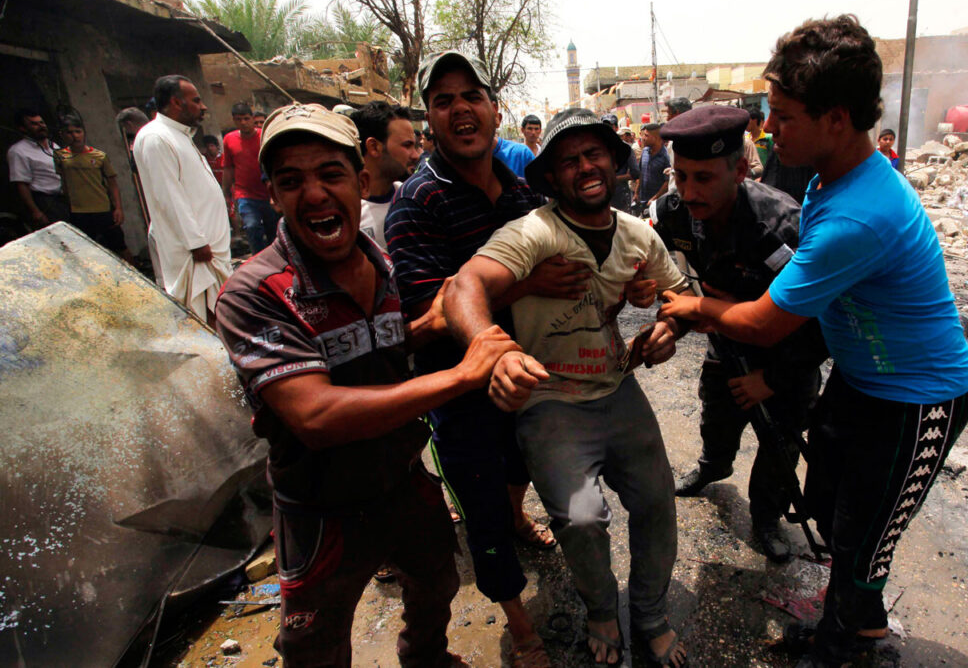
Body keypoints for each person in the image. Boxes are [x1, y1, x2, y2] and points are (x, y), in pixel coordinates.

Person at [658, 16, 968, 667]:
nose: (769, 128)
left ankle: (851, 644)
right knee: (830, 505)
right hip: (860, 382)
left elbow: (765, 322)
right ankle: (846, 615)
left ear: (835, 119)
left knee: (864, 539)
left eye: (782, 115)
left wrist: (689, 305)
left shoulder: (859, 214)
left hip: (919, 398)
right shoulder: (830, 179)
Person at [213, 102, 510, 668]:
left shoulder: (383, 265)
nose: (316, 194)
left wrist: (434, 323)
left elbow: (383, 347)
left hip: (400, 482)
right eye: (292, 181)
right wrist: (462, 374)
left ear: (362, 180)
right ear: (272, 195)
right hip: (319, 508)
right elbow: (316, 415)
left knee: (438, 584)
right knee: (314, 643)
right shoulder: (256, 293)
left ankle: (425, 658)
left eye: (330, 174)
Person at [443, 107, 690, 668]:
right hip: (550, 400)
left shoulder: (635, 235)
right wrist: (493, 349)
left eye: (594, 154)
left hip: (617, 389)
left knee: (657, 500)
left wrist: (667, 328)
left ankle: (650, 612)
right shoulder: (533, 232)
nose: (585, 167)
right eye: (569, 160)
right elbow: (465, 287)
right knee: (580, 518)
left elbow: (678, 300)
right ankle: (602, 609)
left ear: (614, 162)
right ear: (551, 177)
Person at [385, 51, 579, 668]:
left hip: (532, 375)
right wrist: (525, 285)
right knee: (482, 512)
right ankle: (521, 628)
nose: (460, 109)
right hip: (461, 388)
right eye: (443, 101)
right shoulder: (417, 202)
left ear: (494, 109)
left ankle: (519, 512)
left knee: (523, 468)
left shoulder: (521, 189)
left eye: (471, 95)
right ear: (429, 122)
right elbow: (424, 320)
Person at [654, 105, 827, 563]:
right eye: (680, 176)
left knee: (779, 443)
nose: (688, 192)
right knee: (717, 413)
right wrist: (671, 320)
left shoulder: (780, 226)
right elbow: (675, 283)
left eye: (704, 179)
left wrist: (771, 380)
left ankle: (767, 517)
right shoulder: (674, 212)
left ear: (741, 171)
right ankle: (714, 466)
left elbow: (823, 325)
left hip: (786, 360)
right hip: (726, 348)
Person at [133, 75, 232, 322]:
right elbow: (168, 195)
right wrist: (197, 244)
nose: (204, 106)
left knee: (222, 308)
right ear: (177, 103)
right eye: (196, 100)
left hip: (208, 248)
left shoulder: (179, 135)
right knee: (204, 313)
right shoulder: (156, 137)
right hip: (195, 253)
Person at [54, 115, 134, 263]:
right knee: (84, 250)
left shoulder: (99, 156)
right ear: (63, 135)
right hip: (78, 211)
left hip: (102, 208)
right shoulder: (60, 156)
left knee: (119, 245)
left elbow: (112, 183)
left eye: (78, 131)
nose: (75, 136)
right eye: (69, 132)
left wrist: (118, 208)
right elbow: (64, 180)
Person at [349, 101, 422, 249]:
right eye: (407, 145)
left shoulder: (412, 200)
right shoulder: (349, 212)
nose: (415, 155)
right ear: (374, 147)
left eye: (415, 146)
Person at [223, 102, 278, 253]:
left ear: (252, 118)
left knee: (273, 230)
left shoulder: (264, 136)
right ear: (234, 120)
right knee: (252, 227)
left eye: (246, 119)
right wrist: (226, 192)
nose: (243, 123)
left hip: (268, 192)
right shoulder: (229, 139)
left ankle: (276, 260)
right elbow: (228, 167)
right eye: (239, 119)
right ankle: (258, 259)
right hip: (245, 194)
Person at [7, 109, 67, 230]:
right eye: (34, 124)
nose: (40, 126)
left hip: (64, 199)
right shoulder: (18, 151)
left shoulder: (53, 146)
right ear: (23, 128)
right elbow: (21, 184)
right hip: (45, 201)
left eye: (41, 123)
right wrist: (35, 211)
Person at [633, 123, 670, 213]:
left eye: (646, 135)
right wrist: (636, 193)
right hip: (642, 201)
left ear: (656, 138)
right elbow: (641, 173)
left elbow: (667, 182)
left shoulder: (665, 157)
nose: (643, 138)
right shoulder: (645, 151)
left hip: (656, 204)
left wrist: (655, 198)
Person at [602, 114, 634, 213]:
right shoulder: (598, 147)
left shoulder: (625, 148)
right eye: (604, 126)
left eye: (610, 126)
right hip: (603, 196)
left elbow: (635, 173)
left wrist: (616, 179)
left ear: (616, 128)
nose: (607, 129)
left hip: (621, 196)